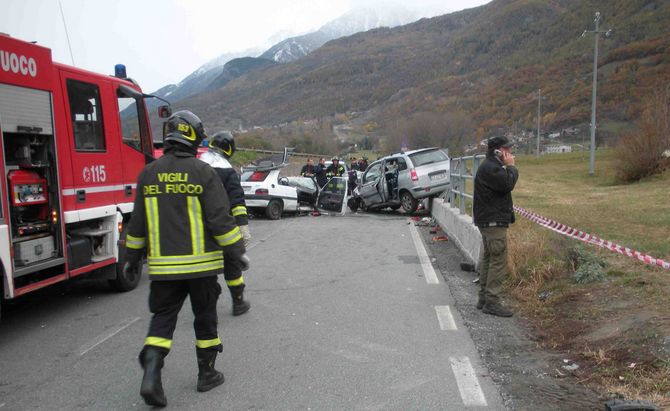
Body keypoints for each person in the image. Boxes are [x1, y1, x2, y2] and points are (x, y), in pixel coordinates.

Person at [125, 110, 249, 406]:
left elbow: (137, 226)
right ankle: (206, 374)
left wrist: (130, 258)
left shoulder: (148, 173)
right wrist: (237, 252)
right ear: (194, 137)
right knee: (205, 319)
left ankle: (152, 369)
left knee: (162, 319)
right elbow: (221, 221)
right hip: (202, 268)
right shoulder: (202, 172)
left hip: (164, 269)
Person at [199, 130, 252, 316]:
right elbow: (236, 200)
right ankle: (238, 302)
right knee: (232, 263)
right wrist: (242, 225)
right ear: (229, 149)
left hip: (199, 226)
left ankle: (207, 304)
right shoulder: (227, 170)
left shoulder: (197, 165)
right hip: (224, 225)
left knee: (205, 267)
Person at [473, 136, 519, 318]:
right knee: (498, 260)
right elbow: (508, 184)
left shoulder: (489, 166)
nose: (511, 153)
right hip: (493, 222)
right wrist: (512, 166)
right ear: (499, 151)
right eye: (508, 150)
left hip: (487, 220)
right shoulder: (492, 168)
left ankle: (484, 299)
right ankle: (492, 301)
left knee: (489, 258)